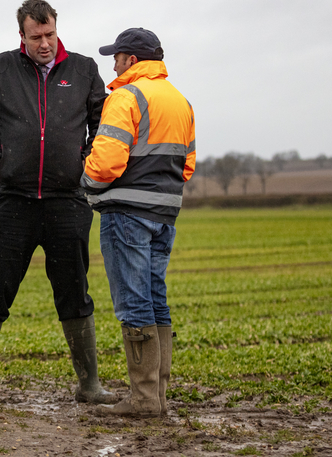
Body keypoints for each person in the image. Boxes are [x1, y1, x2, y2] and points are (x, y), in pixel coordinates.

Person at [0, 0, 118, 405]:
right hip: (13, 201)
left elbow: (102, 121)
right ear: (21, 36)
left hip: (68, 201)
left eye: (50, 35)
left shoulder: (83, 69)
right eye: (35, 37)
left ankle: (90, 385)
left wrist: (84, 160)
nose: (44, 44)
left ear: (56, 29)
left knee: (75, 291)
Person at [82, 28, 196, 417]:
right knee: (155, 298)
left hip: (126, 213)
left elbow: (107, 161)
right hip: (165, 215)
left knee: (133, 302)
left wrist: (85, 183)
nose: (112, 62)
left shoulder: (126, 96)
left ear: (131, 59)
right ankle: (157, 396)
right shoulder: (180, 101)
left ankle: (144, 400)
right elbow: (188, 165)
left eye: (116, 56)